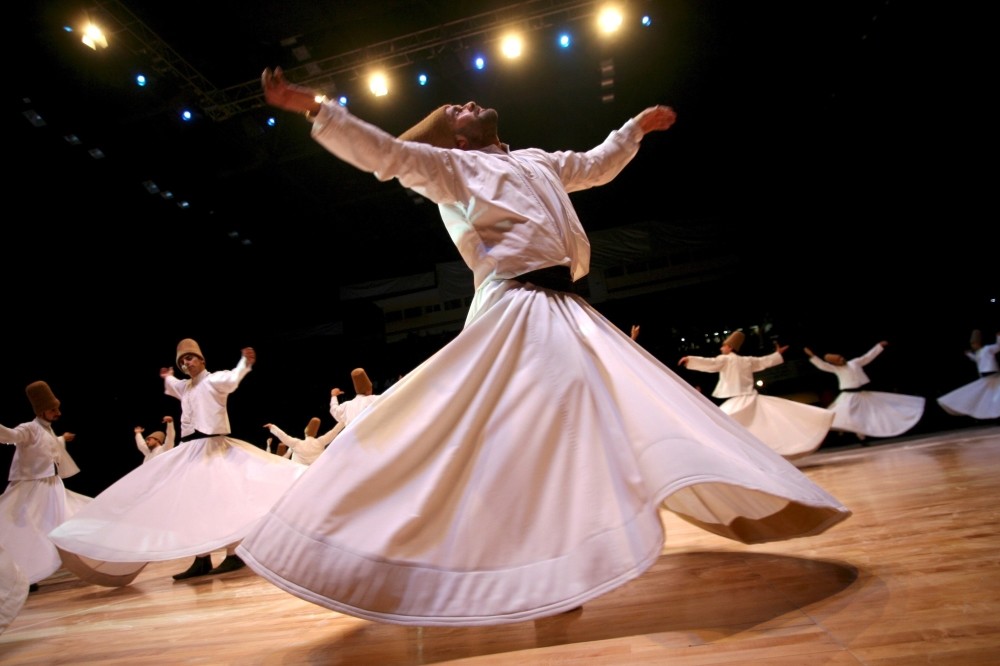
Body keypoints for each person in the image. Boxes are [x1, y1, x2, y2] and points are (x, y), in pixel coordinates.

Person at [236, 67, 851, 627]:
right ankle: (534, 565)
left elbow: (596, 164)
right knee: (543, 430)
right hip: (519, 308)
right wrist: (314, 108)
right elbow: (388, 154)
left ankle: (560, 558)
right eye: (454, 111)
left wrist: (634, 129)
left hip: (563, 307)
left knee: (616, 411)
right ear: (456, 140)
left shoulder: (537, 161)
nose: (466, 102)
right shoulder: (453, 170)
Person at [48, 339, 307, 586]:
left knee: (225, 500)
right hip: (191, 450)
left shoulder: (213, 380)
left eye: (190, 358)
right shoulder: (186, 387)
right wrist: (167, 376)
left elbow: (232, 379)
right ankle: (202, 558)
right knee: (193, 505)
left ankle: (233, 553)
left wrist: (244, 364)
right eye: (183, 361)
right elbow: (174, 384)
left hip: (213, 448)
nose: (186, 363)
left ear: (202, 360)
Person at [678, 331, 834, 459]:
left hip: (739, 400)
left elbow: (710, 363)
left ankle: (727, 454)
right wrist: (776, 355)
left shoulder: (725, 360)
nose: (721, 348)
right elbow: (763, 361)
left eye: (723, 345)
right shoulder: (747, 360)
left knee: (721, 423)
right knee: (756, 426)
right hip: (750, 398)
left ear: (730, 348)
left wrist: (690, 360)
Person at [0, 381, 90, 591]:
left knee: (69, 519)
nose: (58, 413)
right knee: (29, 530)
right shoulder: (29, 428)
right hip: (34, 487)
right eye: (53, 409)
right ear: (41, 410)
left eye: (57, 408)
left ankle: (89, 559)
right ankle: (25, 575)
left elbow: (48, 445)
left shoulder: (46, 429)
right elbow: (12, 436)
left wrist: (62, 439)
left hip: (52, 485)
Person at [804, 340, 926, 440]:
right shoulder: (836, 369)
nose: (841, 360)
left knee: (873, 411)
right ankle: (858, 434)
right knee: (843, 414)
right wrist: (812, 356)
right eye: (838, 360)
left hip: (862, 394)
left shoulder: (854, 363)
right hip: (848, 396)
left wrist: (879, 346)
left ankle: (869, 431)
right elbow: (822, 365)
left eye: (841, 357)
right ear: (835, 363)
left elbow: (868, 356)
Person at [936, 330, 1000, 420]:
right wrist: (969, 354)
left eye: (974, 343)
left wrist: (998, 337)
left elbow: (998, 346)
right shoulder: (978, 353)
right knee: (989, 396)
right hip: (986, 376)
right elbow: (977, 360)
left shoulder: (987, 349)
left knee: (994, 395)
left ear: (978, 343)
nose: (973, 346)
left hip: (992, 374)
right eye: (972, 344)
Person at [264, 417, 342, 466]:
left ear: (305, 431)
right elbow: (334, 431)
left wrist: (272, 427)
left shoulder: (297, 444)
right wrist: (343, 421)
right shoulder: (320, 442)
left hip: (298, 474)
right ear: (315, 434)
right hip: (315, 473)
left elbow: (284, 436)